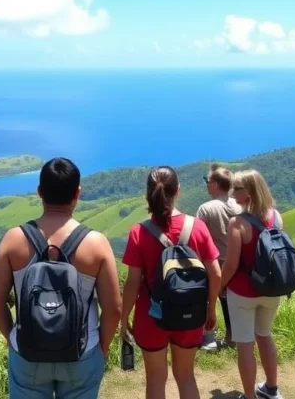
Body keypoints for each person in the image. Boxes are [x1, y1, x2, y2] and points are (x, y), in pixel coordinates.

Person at [0, 157, 121, 399]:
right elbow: (114, 309)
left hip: (27, 354)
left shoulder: (13, 240)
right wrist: (101, 347)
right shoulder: (96, 244)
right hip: (82, 352)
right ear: (77, 193)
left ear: (40, 192)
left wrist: (13, 338)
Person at [121, 166, 222, 399]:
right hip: (191, 313)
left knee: (156, 378)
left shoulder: (138, 232)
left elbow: (133, 283)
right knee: (186, 376)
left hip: (151, 315)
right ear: (178, 190)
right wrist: (210, 308)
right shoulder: (197, 227)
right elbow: (215, 273)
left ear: (148, 194)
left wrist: (124, 318)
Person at [220, 170, 285, 399]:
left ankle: (249, 396)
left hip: (243, 292)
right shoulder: (276, 216)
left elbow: (231, 264)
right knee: (265, 335)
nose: (232, 193)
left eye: (237, 189)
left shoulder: (237, 223)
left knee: (245, 345)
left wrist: (219, 286)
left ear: (248, 192)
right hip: (271, 289)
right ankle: (272, 389)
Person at [196, 164, 242, 350]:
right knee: (233, 300)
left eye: (207, 181)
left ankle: (208, 337)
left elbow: (198, 238)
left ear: (215, 184)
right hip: (238, 261)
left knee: (209, 299)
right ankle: (234, 337)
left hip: (213, 262)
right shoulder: (240, 206)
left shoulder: (206, 209)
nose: (206, 184)